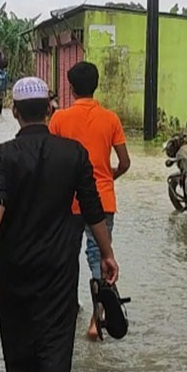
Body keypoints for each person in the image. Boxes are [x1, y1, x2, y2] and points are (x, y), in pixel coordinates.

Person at [0, 77, 118, 372]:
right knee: (56, 337)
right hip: (58, 264)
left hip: (14, 262)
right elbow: (92, 209)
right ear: (50, 111)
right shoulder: (74, 155)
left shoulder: (3, 155)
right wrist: (107, 253)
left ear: (15, 112)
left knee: (17, 327)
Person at [49, 61, 131, 340]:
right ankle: (97, 321)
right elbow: (125, 162)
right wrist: (107, 179)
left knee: (66, 256)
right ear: (96, 86)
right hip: (103, 200)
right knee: (99, 257)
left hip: (67, 201)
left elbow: (50, 160)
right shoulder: (111, 119)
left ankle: (69, 308)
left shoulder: (59, 119)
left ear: (70, 88)